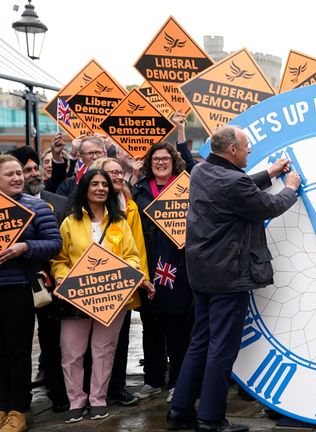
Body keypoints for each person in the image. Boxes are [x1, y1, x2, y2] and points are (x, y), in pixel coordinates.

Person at [167, 126, 301, 432]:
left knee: (200, 342)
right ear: (231, 151)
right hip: (228, 275)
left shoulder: (201, 171)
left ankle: (180, 411)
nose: (249, 152)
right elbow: (266, 205)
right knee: (222, 348)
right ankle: (211, 419)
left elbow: (238, 188)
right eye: (246, 148)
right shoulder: (232, 182)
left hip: (202, 273)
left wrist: (268, 173)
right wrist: (290, 187)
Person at [51, 169, 153, 424]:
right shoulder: (69, 222)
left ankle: (98, 398)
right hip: (77, 296)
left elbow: (132, 255)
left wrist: (129, 271)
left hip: (112, 297)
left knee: (104, 350)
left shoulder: (119, 222)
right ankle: (76, 400)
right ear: (84, 188)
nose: (100, 188)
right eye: (94, 184)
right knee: (71, 351)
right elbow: (60, 259)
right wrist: (62, 277)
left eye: (104, 185)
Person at [132, 137, 197, 404]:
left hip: (179, 266)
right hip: (148, 263)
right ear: (149, 163)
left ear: (174, 162)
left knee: (178, 327)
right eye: (156, 159)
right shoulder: (138, 191)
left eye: (166, 159)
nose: (160, 163)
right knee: (151, 325)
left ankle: (178, 381)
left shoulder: (186, 188)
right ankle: (152, 379)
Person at [0, 155, 62, 432]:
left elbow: (54, 244)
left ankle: (18, 408)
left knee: (17, 350)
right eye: (9, 174)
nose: (16, 178)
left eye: (18, 173)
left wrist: (25, 248)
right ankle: (2, 406)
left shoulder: (37, 207)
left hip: (20, 288)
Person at [90, 157, 150, 406]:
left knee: (120, 339)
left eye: (118, 171)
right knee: (92, 343)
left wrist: (140, 277)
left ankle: (117, 387)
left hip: (123, 281)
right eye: (110, 172)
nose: (115, 176)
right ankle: (93, 392)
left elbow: (136, 244)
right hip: (95, 282)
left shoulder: (130, 204)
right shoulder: (91, 206)